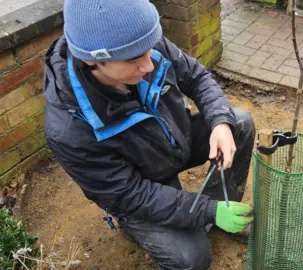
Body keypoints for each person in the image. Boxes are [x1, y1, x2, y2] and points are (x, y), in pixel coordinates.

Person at [43, 0, 255, 269]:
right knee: (190, 259)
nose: (149, 64)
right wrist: (203, 209)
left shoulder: (140, 43)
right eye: (134, 60)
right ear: (92, 60)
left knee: (239, 123)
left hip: (173, 139)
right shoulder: (70, 131)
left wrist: (221, 123)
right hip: (140, 186)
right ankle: (133, 226)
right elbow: (128, 194)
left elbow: (196, 76)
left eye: (148, 51)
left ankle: (218, 212)